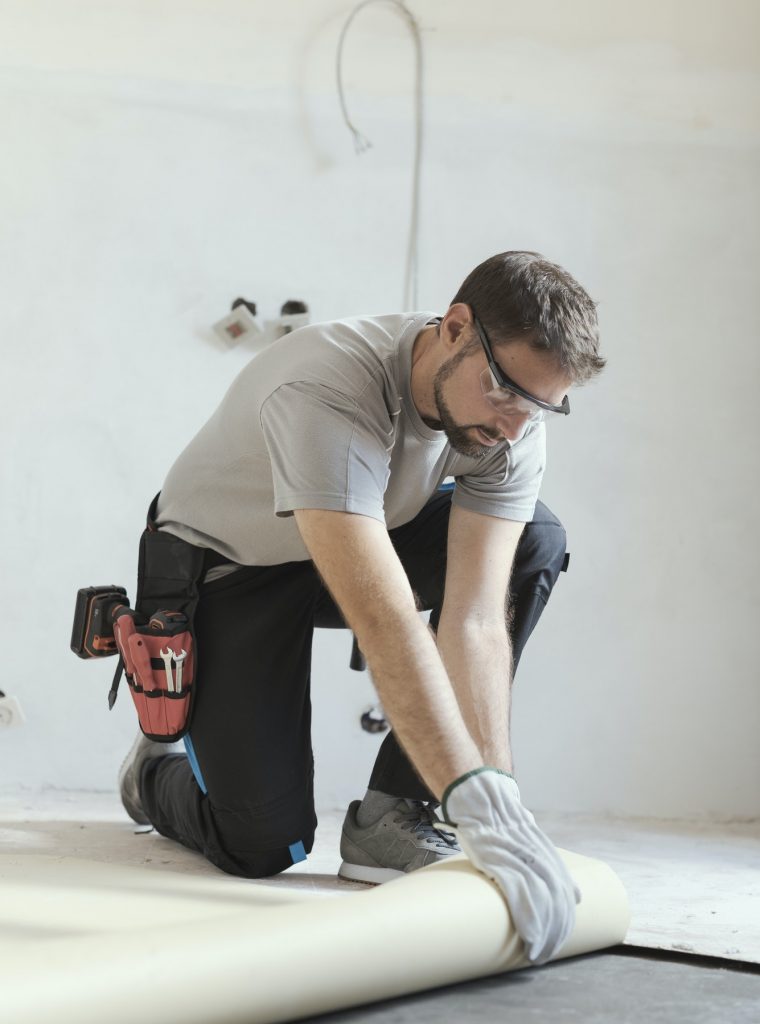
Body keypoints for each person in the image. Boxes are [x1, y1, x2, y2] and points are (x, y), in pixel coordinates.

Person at [119, 250, 605, 964]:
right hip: (231, 565)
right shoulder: (328, 387)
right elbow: (384, 620)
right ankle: (152, 774)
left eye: (539, 405)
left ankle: (395, 811)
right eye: (504, 392)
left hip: (360, 530)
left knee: (536, 538)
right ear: (456, 328)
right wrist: (475, 797)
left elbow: (475, 620)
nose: (514, 427)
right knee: (261, 844)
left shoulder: (513, 423)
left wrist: (494, 801)